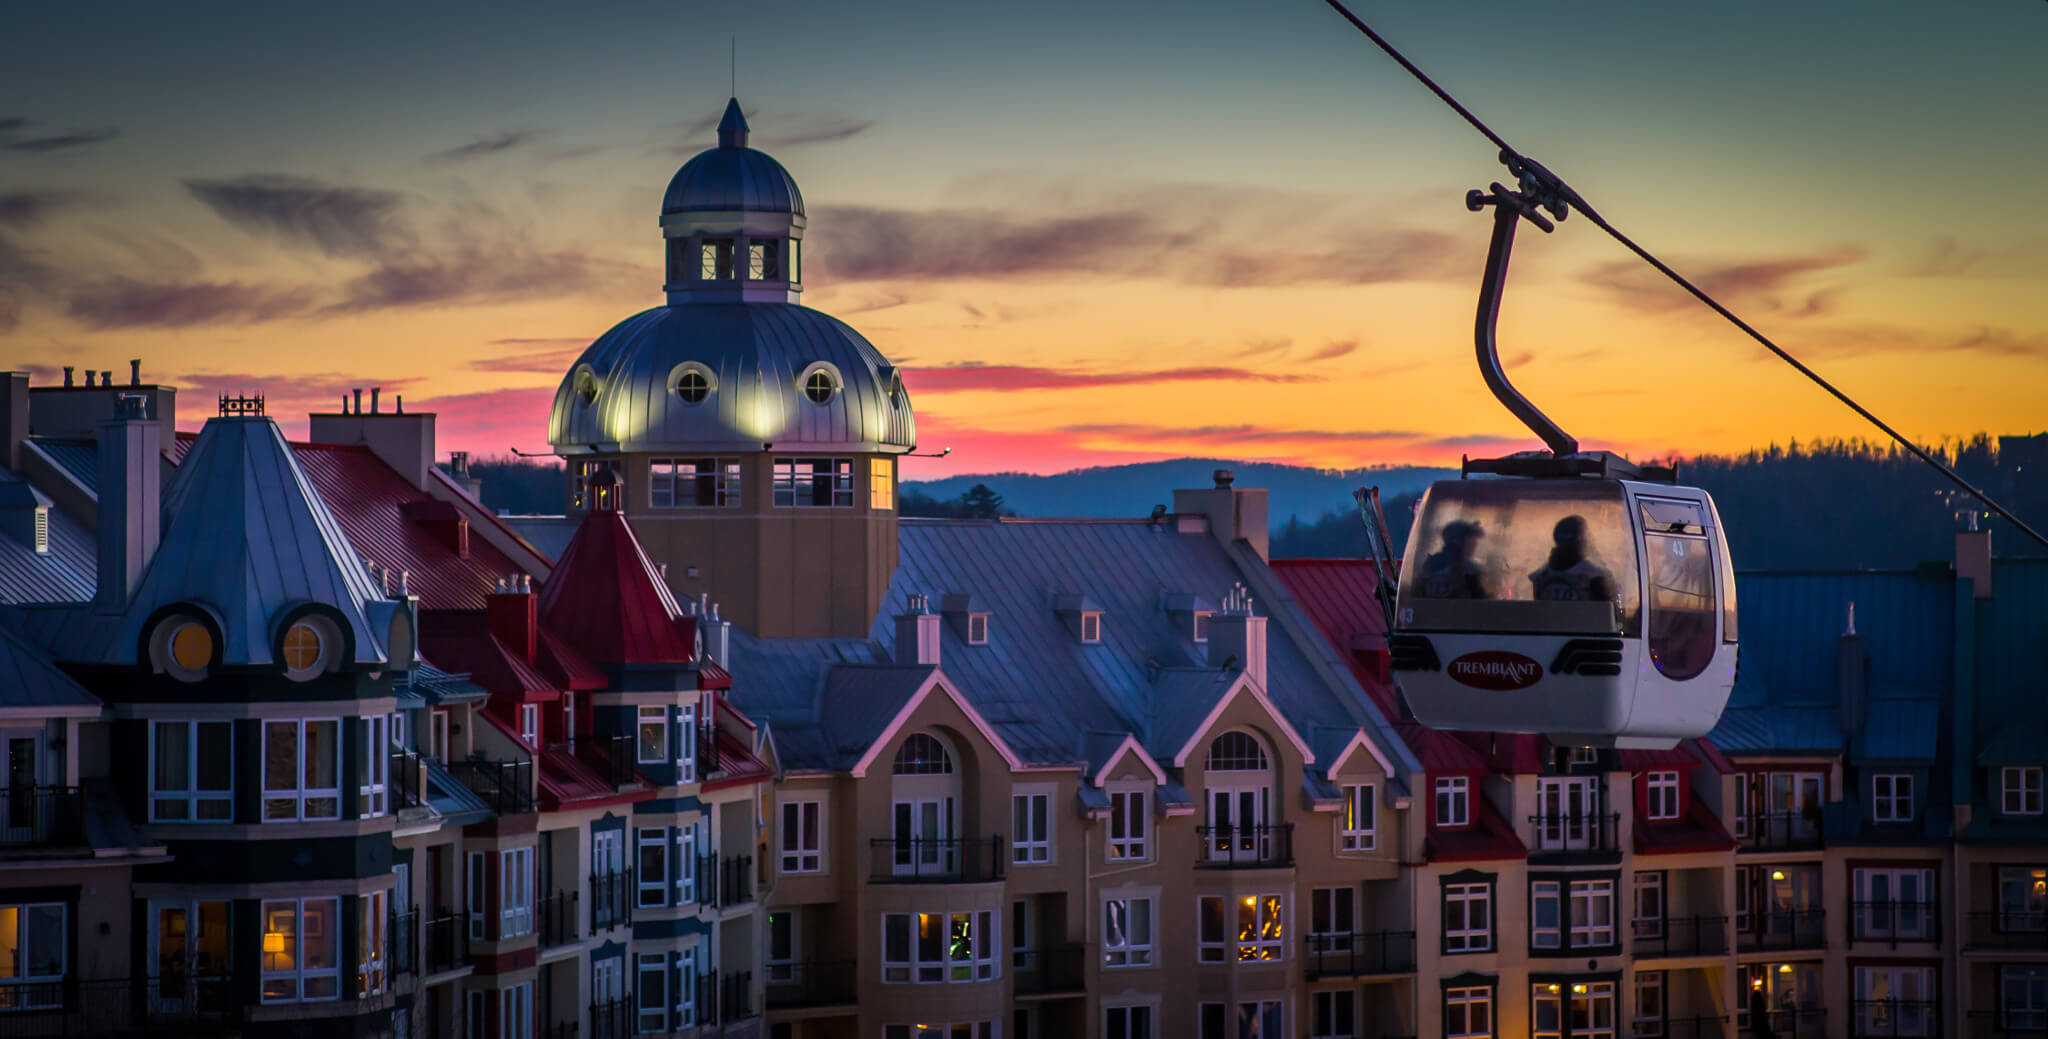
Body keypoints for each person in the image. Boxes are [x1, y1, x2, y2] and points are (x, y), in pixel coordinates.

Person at [1529, 515, 1616, 604]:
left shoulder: (1540, 576)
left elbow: (1539, 612)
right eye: (1587, 536)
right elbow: (1607, 614)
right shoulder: (1595, 576)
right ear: (1582, 540)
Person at [1419, 520, 1489, 599]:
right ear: (1460, 541)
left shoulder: (1430, 564)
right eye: (1471, 539)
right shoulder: (1469, 570)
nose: (1475, 544)